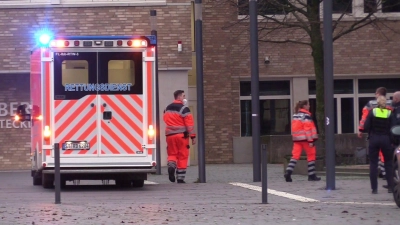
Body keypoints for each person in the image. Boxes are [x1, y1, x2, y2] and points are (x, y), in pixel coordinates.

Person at [362, 95, 395, 194]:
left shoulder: (373, 112)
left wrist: (371, 132)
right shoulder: (390, 113)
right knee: (388, 163)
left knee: (373, 164)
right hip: (386, 139)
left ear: (377, 102)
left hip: (374, 139)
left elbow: (366, 126)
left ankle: (374, 189)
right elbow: (393, 129)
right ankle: (390, 187)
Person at [358, 87, 393, 179]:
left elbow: (364, 118)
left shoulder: (370, 104)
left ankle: (379, 176)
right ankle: (385, 173)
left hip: (374, 134)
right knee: (387, 155)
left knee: (375, 157)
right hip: (388, 134)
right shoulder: (391, 104)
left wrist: (360, 130)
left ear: (378, 94)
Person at [163, 90, 196, 184]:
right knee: (182, 155)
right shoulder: (184, 109)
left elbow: (164, 119)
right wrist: (193, 137)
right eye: (183, 96)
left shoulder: (167, 108)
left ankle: (171, 167)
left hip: (170, 136)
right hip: (182, 136)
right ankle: (180, 178)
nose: (184, 98)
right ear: (179, 97)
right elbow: (189, 125)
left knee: (172, 154)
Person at [284, 100, 321, 182]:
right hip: (305, 139)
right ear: (304, 106)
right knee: (311, 155)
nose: (309, 106)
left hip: (297, 139)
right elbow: (307, 129)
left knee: (295, 156)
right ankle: (311, 175)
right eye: (308, 105)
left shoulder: (295, 115)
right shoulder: (306, 116)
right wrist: (310, 141)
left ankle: (288, 172)